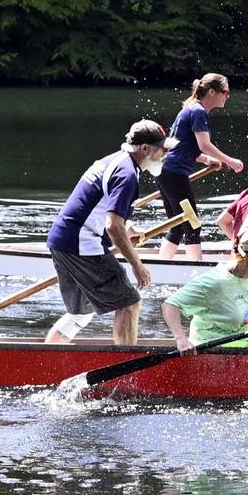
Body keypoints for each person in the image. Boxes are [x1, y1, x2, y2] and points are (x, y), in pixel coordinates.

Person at [43, 121, 172, 347]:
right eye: (162, 148)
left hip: (61, 239)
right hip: (81, 243)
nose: (165, 153)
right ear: (144, 148)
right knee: (129, 304)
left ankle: (45, 358)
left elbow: (100, 208)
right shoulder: (127, 175)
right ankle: (125, 368)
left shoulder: (114, 160)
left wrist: (128, 229)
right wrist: (137, 264)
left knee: (80, 314)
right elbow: (113, 226)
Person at [157, 73, 245, 261]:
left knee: (177, 224)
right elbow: (204, 144)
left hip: (166, 171)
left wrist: (206, 160)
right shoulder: (198, 112)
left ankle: (161, 263)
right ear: (212, 92)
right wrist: (230, 161)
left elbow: (185, 147)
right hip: (174, 173)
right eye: (225, 92)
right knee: (193, 225)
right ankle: (195, 269)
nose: (227, 96)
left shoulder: (191, 110)